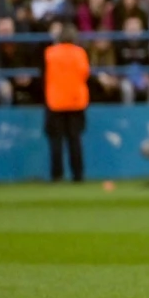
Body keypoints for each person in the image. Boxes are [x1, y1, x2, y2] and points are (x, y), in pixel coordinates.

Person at [43, 24, 91, 183]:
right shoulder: (80, 53)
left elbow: (43, 75)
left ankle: (57, 175)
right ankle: (78, 175)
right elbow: (85, 74)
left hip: (55, 102)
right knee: (75, 140)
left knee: (56, 141)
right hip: (76, 102)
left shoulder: (50, 53)